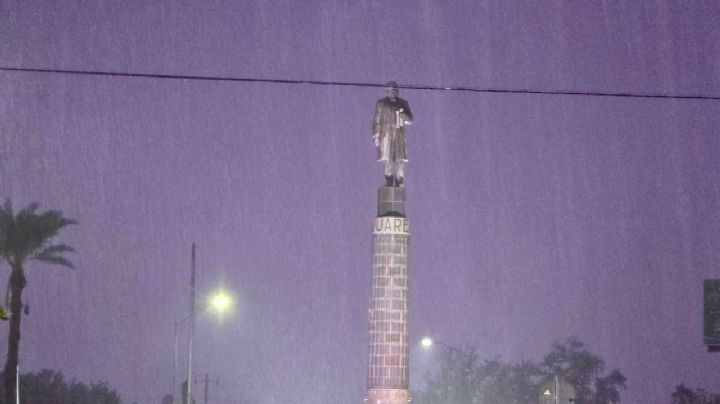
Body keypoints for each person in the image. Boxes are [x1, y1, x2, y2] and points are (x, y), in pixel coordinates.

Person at [373, 81, 413, 187]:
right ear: (387, 91)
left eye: (395, 90)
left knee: (400, 159)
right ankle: (389, 179)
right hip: (387, 135)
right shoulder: (382, 104)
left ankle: (399, 179)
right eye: (391, 90)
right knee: (389, 158)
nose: (393, 92)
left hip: (399, 134)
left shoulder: (403, 103)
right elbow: (377, 120)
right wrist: (376, 135)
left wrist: (402, 115)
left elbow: (410, 119)